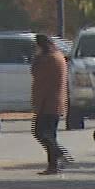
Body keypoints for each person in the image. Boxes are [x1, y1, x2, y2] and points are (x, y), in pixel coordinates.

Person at [30, 33, 69, 175]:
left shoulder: (48, 60)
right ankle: (54, 164)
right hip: (55, 102)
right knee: (48, 134)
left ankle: (59, 155)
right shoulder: (57, 56)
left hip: (48, 103)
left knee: (41, 132)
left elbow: (41, 82)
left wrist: (38, 105)